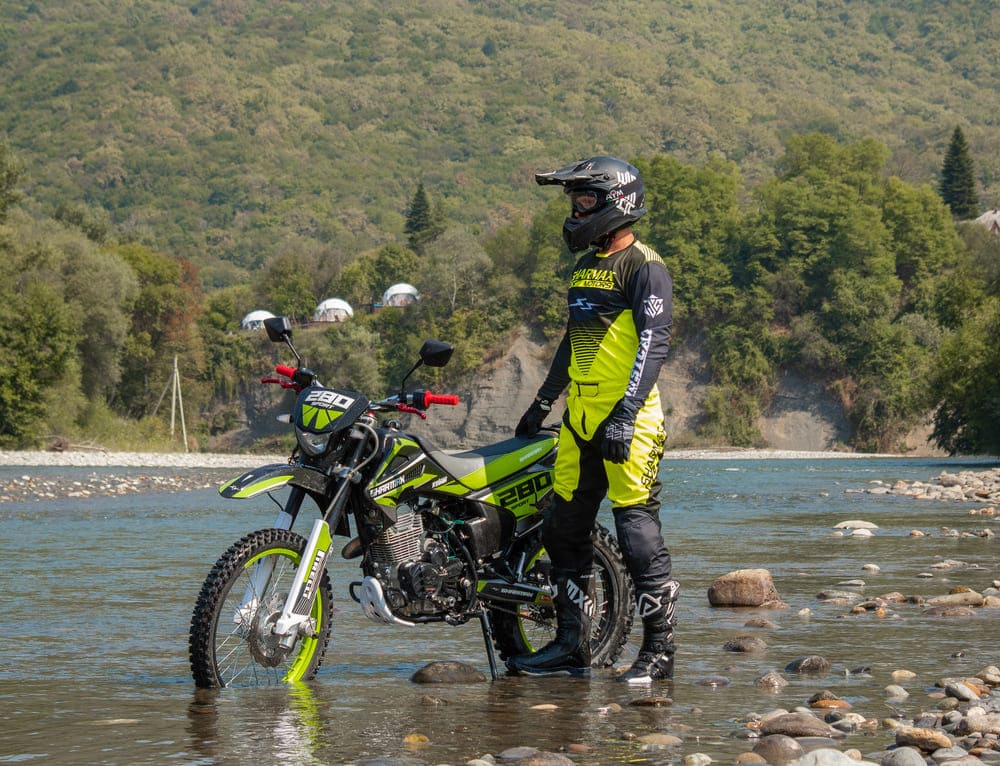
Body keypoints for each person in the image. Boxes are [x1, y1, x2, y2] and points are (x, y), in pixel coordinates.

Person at [506, 156, 679, 684]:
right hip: (579, 418)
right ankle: (571, 644)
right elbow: (571, 341)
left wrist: (626, 410)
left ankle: (660, 651)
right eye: (574, 200)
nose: (576, 210)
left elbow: (653, 343)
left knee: (635, 532)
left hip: (630, 418)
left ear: (616, 202)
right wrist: (542, 402)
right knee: (563, 531)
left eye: (584, 199)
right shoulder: (585, 267)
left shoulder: (645, 266)